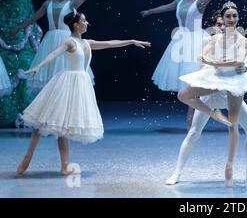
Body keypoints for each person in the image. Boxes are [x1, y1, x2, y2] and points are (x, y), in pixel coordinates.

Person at [16, 10, 150, 175]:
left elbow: (109, 43)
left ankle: (65, 167)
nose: (87, 23)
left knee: (63, 127)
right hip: (66, 82)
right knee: (44, 119)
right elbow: (53, 53)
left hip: (81, 84)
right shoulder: (69, 41)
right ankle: (28, 155)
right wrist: (38, 66)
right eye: (84, 21)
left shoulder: (87, 43)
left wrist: (130, 41)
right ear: (76, 24)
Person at [177, 2, 247, 187]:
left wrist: (243, 67)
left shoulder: (241, 41)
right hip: (212, 94)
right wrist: (216, 65)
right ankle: (177, 172)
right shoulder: (212, 41)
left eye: (231, 19)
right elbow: (202, 67)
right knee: (193, 132)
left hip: (231, 91)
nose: (225, 25)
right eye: (221, 23)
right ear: (216, 24)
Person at [140, 0, 233, 130]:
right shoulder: (179, 1)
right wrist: (149, 11)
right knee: (187, 84)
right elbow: (165, 7)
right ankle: (195, 118)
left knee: (194, 80)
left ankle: (192, 120)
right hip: (181, 41)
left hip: (197, 41)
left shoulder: (201, 2)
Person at [9, 0, 110, 93]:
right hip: (50, 42)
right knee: (50, 76)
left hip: (67, 41)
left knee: (66, 74)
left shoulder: (71, 4)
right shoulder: (48, 4)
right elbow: (33, 18)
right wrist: (17, 29)